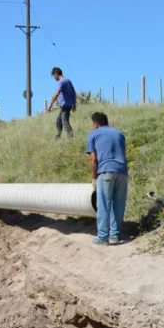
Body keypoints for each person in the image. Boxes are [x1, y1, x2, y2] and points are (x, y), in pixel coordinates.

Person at [85, 112, 128, 245]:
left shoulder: (94, 134)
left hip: (106, 171)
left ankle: (103, 237)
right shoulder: (119, 133)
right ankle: (115, 235)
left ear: (95, 125)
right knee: (118, 204)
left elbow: (93, 158)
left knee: (103, 204)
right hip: (122, 171)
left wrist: (93, 178)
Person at [47, 67, 77, 140]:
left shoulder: (61, 82)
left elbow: (57, 93)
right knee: (58, 121)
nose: (54, 78)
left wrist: (50, 104)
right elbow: (73, 93)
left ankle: (71, 137)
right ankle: (58, 136)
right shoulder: (68, 80)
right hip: (67, 105)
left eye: (54, 76)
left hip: (65, 105)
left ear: (56, 74)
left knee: (65, 121)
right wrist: (74, 104)